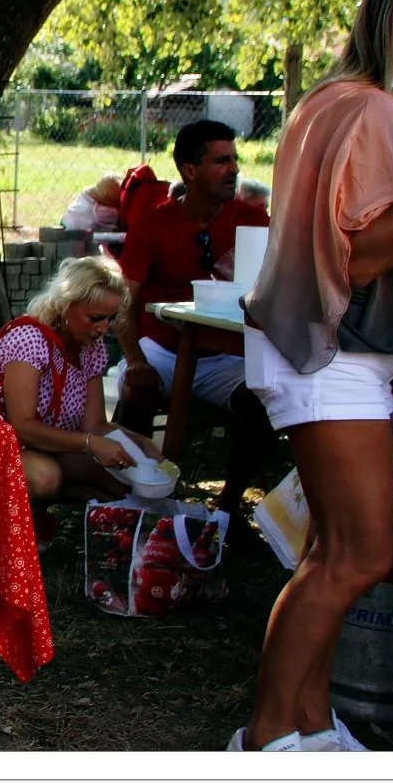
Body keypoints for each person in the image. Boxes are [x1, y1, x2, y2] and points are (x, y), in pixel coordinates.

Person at [229, 0, 393, 753]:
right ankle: (268, 737)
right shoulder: (369, 107)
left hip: (331, 352)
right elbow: (362, 254)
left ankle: (307, 725)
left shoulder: (345, 99)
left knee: (331, 555)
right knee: (357, 554)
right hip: (329, 352)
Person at [113, 119, 274, 516]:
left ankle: (227, 508)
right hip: (164, 348)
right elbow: (124, 305)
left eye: (235, 159)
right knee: (137, 392)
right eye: (222, 161)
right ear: (190, 171)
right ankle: (130, 499)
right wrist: (134, 359)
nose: (234, 169)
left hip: (226, 355)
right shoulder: (154, 222)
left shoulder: (253, 219)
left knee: (263, 401)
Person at [0, 256, 162, 541]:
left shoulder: (90, 349)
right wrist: (90, 444)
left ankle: (39, 518)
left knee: (119, 479)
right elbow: (22, 426)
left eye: (110, 319)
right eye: (95, 318)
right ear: (65, 305)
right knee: (46, 477)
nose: (103, 328)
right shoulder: (30, 339)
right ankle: (10, 530)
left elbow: (94, 424)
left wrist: (138, 442)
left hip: (48, 446)